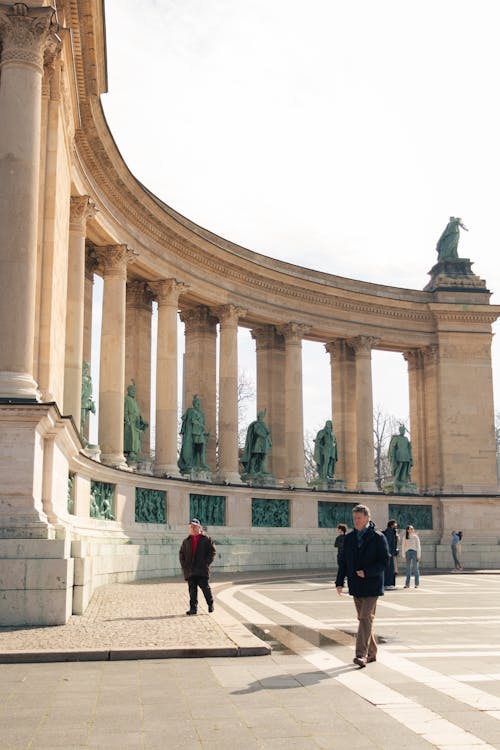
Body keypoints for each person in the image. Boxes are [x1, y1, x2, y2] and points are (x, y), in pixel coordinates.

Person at [335, 504, 389, 668]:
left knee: (364, 618)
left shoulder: (378, 537)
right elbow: (343, 562)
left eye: (359, 518)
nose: (356, 521)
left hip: (372, 584)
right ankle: (372, 653)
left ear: (367, 518)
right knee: (366, 620)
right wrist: (339, 582)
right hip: (356, 584)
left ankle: (361, 655)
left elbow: (384, 562)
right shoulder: (349, 538)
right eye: (354, 518)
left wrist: (368, 572)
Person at [179, 518, 216, 615]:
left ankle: (210, 604)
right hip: (190, 570)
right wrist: (184, 565)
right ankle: (193, 609)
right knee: (192, 591)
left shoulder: (206, 539)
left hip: (202, 569)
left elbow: (212, 552)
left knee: (205, 588)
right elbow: (181, 554)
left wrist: (206, 563)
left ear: (199, 527)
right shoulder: (186, 541)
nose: (192, 528)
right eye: (191, 526)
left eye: (194, 526)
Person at [178, 395, 210, 474]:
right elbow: (192, 421)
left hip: (199, 433)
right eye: (196, 403)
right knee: (197, 447)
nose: (198, 404)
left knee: (201, 447)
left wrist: (204, 432)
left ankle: (201, 463)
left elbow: (199, 424)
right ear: (194, 403)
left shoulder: (201, 413)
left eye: (199, 403)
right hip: (193, 433)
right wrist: (200, 425)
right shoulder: (191, 411)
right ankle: (195, 463)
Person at [240, 409, 272, 476]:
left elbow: (267, 435)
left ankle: (263, 470)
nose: (262, 417)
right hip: (259, 442)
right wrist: (265, 434)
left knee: (263, 457)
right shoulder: (256, 424)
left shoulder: (263, 424)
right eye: (262, 415)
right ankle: (251, 469)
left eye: (263, 415)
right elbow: (257, 431)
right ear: (259, 416)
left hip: (264, 442)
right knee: (255, 456)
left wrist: (269, 441)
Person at [123, 381, 148, 462]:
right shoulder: (127, 399)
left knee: (135, 438)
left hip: (135, 422)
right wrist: (127, 420)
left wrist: (142, 421)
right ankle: (130, 452)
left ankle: (133, 452)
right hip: (130, 421)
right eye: (132, 391)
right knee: (131, 437)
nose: (134, 393)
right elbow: (125, 410)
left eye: (134, 391)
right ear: (129, 391)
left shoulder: (134, 401)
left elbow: (138, 413)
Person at [80, 361, 96, 437]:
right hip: (81, 402)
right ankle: (80, 435)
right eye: (84, 368)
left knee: (82, 420)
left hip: (85, 403)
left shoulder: (87, 379)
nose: (86, 370)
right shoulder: (82, 379)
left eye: (87, 369)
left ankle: (80, 435)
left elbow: (89, 392)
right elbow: (81, 392)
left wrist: (90, 403)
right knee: (81, 420)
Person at [383, 519, 399, 590]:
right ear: (392, 524)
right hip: (390, 553)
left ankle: (389, 583)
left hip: (391, 553)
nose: (396, 525)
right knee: (389, 569)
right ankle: (388, 583)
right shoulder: (389, 531)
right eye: (395, 524)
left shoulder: (392, 531)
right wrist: (388, 552)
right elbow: (389, 542)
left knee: (391, 569)